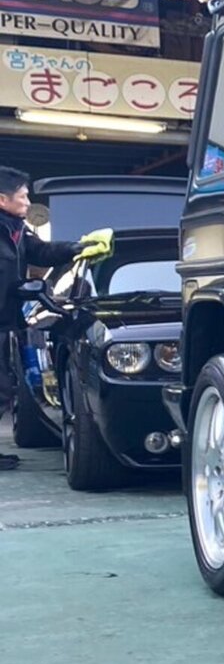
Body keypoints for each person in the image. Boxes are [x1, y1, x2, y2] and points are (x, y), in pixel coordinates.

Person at [0, 166, 112, 470]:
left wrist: (78, 248)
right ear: (2, 199)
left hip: (5, 321)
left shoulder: (18, 231)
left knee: (3, 387)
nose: (28, 203)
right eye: (23, 196)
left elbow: (44, 253)